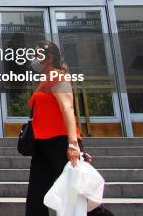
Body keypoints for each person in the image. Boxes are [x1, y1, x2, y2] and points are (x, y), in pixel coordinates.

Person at [25, 40, 108, 216]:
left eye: (38, 55)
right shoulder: (44, 80)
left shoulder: (58, 76)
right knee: (35, 198)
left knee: (79, 195)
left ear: (50, 57)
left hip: (60, 142)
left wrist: (73, 144)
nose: (34, 59)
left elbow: (67, 107)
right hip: (42, 145)